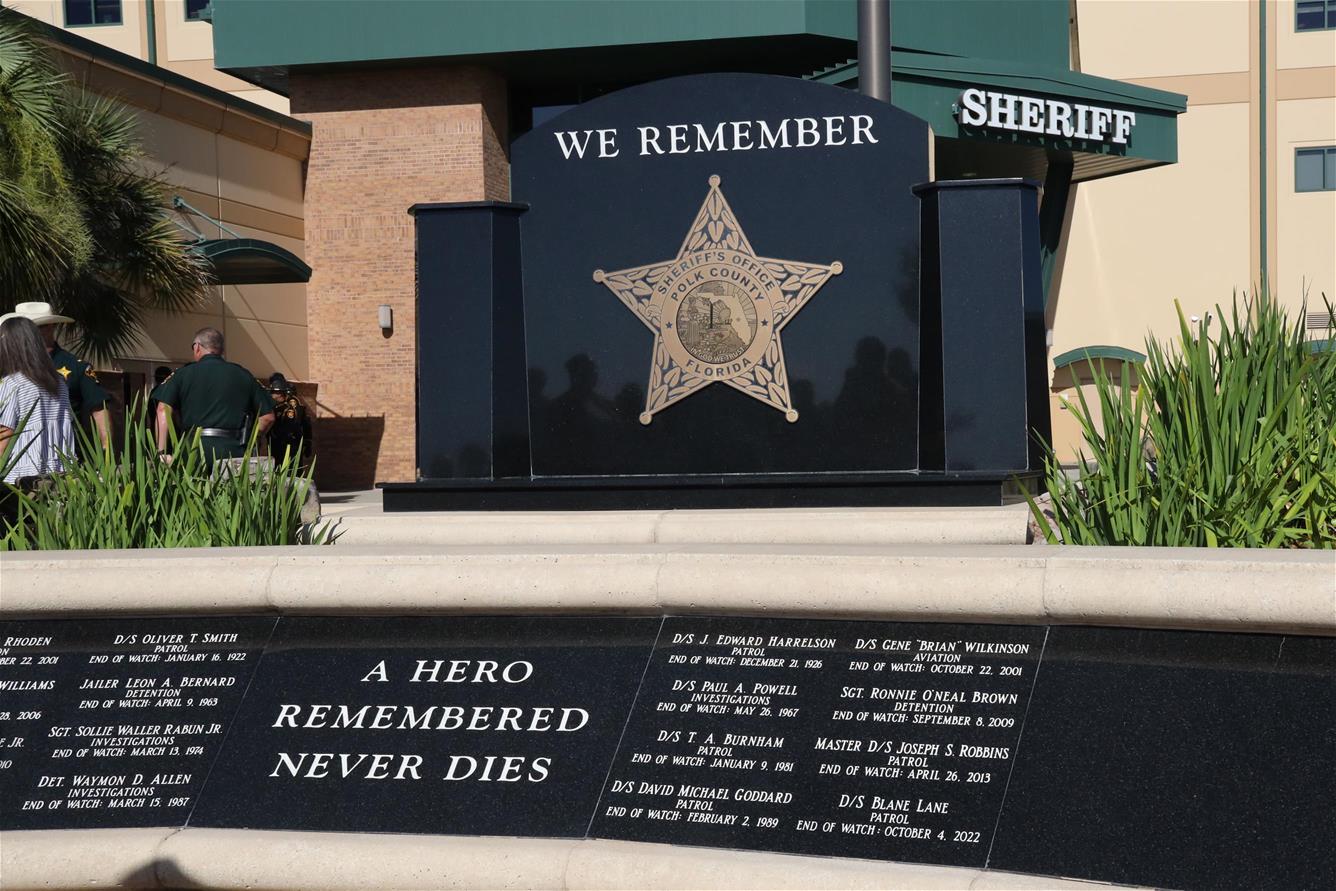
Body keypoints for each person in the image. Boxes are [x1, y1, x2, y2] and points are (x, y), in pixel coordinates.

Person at [151, 327, 275, 467]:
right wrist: (251, 441)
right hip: (233, 453)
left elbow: (163, 410)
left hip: (192, 452)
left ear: (197, 347)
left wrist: (161, 453)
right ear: (221, 350)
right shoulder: (244, 375)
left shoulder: (182, 374)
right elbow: (267, 417)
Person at [0, 302, 110, 452]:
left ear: (52, 326)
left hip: (65, 453)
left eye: (38, 327)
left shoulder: (76, 366)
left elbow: (99, 410)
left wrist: (107, 450)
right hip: (15, 456)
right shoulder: (6, 366)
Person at [0, 317, 74, 528]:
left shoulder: (12, 383)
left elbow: (4, 435)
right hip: (59, 474)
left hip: (22, 482)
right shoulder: (59, 382)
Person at [266, 372, 312, 469]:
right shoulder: (277, 404)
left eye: (273, 392)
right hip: (277, 444)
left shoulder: (290, 404)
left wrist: (307, 441)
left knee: (289, 472)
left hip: (288, 445)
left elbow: (298, 423)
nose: (271, 395)